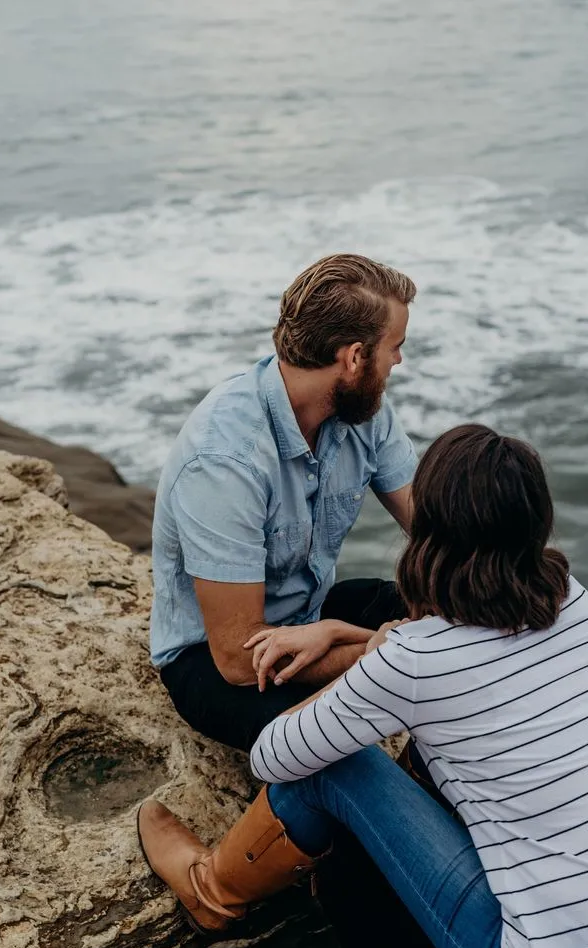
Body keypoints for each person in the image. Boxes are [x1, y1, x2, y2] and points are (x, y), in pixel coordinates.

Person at [138, 425, 588, 948]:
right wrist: (357, 637)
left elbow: (275, 758)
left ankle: (211, 892)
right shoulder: (571, 599)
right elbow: (453, 654)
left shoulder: (417, 660)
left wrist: (361, 657)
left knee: (336, 765)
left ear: (432, 529)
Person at [149, 253, 419, 754]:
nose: (398, 361)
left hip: (307, 615)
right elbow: (236, 656)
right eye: (395, 347)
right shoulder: (224, 460)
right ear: (355, 357)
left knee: (457, 605)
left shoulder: (364, 414)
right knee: (337, 748)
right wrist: (386, 650)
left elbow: (436, 532)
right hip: (216, 664)